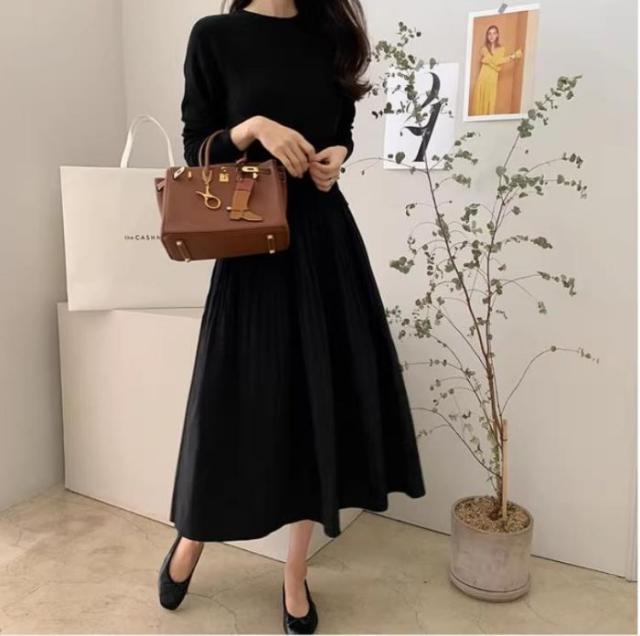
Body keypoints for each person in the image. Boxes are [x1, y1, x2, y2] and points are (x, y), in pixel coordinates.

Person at [157, 0, 426, 632]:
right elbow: (197, 149)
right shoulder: (215, 36)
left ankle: (295, 571)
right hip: (251, 242)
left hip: (324, 240)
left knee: (315, 404)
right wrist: (253, 128)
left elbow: (342, 126)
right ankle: (193, 535)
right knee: (233, 401)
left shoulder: (327, 35)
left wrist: (336, 157)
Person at [470, 24, 522, 116]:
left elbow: (497, 61)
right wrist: (512, 57)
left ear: (497, 35)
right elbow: (496, 62)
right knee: (479, 106)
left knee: (490, 104)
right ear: (487, 36)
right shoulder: (483, 49)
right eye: (489, 33)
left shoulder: (501, 49)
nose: (491, 36)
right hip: (482, 79)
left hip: (492, 80)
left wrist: (489, 62)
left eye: (494, 33)